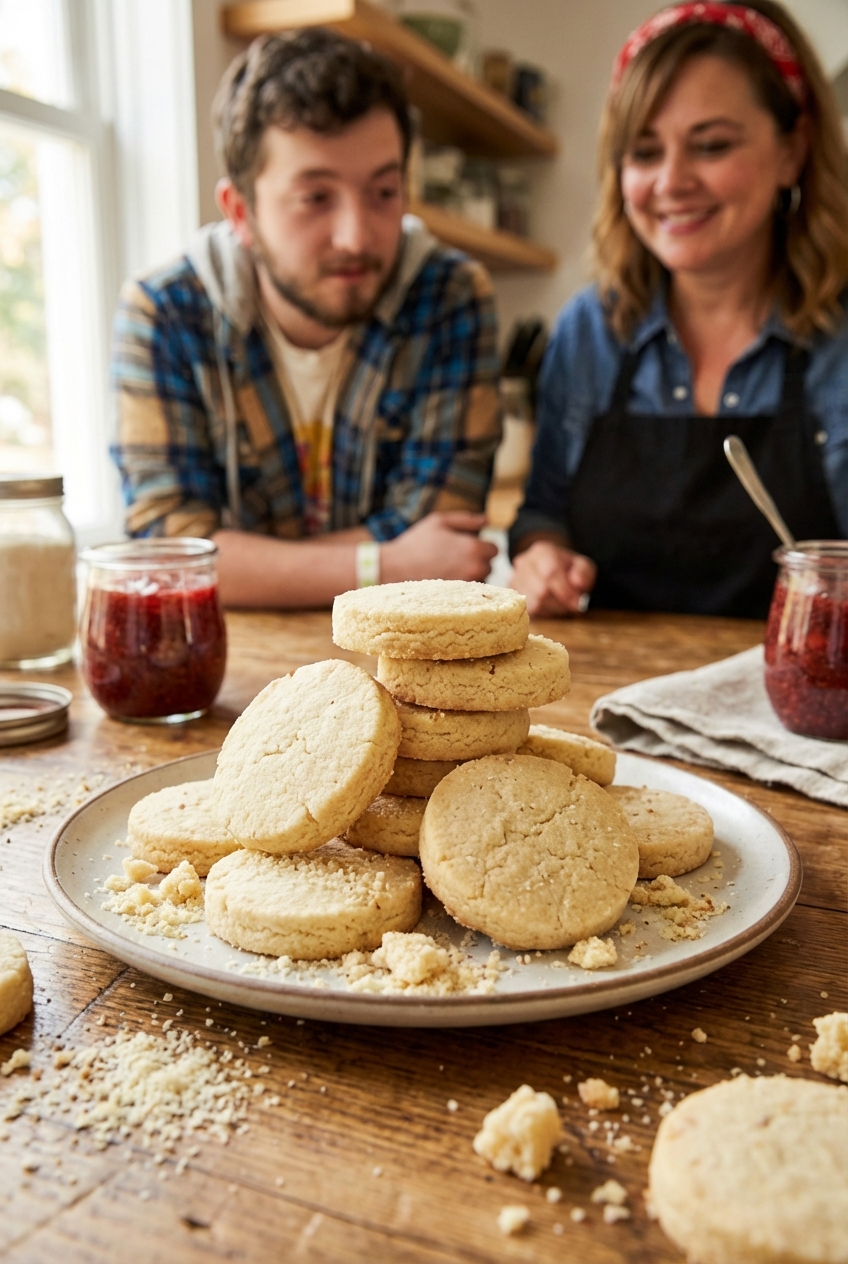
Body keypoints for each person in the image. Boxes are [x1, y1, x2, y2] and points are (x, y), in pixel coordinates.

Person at [111, 29, 500, 607]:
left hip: (396, 657)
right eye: (316, 197)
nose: (357, 235)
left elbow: (446, 541)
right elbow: (170, 557)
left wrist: (249, 560)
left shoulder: (450, 296)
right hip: (234, 670)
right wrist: (386, 561)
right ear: (240, 211)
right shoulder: (163, 313)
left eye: (385, 192)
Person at [510, 0, 848, 619]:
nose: (670, 181)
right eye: (643, 152)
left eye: (711, 145)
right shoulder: (588, 331)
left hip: (801, 701)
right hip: (607, 702)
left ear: (793, 150)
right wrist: (542, 556)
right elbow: (543, 513)